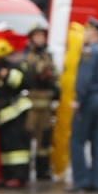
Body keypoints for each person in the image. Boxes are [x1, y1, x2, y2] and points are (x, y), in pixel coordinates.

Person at [68, 18, 98, 193]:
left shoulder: (89, 51)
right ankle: (97, 180)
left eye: (86, 31)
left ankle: (81, 180)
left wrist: (78, 98)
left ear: (93, 33)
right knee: (97, 141)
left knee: (77, 140)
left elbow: (84, 78)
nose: (84, 35)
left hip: (89, 99)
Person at [0, 37, 31, 188]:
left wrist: (7, 74)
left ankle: (20, 177)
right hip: (5, 114)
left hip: (16, 112)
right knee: (5, 146)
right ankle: (7, 175)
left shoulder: (14, 65)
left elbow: (21, 82)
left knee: (17, 147)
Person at [20, 23, 59, 182]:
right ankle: (24, 171)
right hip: (31, 103)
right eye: (37, 36)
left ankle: (43, 170)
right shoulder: (26, 55)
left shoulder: (48, 55)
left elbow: (53, 74)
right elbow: (35, 73)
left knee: (44, 138)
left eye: (42, 36)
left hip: (46, 103)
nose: (40, 39)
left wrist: (56, 88)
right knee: (28, 137)